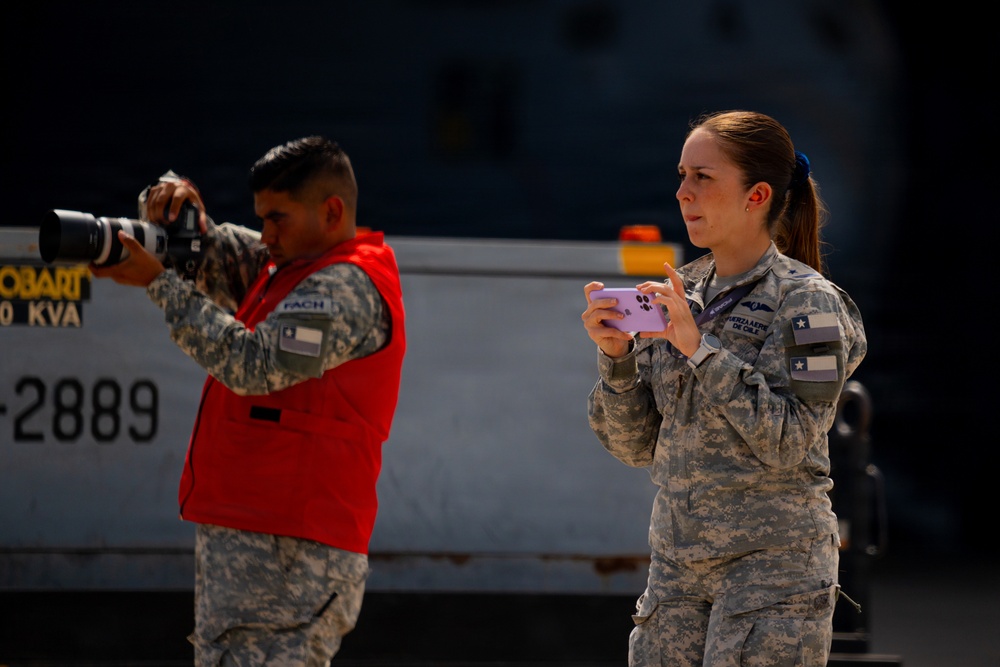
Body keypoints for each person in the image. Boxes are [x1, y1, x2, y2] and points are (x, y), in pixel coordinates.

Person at [90, 136, 407, 665]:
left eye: (278, 218)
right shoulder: (285, 266)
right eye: (262, 218)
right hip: (264, 540)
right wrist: (172, 202)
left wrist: (160, 286)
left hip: (293, 553)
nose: (267, 234)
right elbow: (207, 248)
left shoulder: (346, 289)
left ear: (332, 211)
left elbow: (255, 365)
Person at [580, 110, 867, 666]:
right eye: (682, 175)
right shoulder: (679, 292)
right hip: (678, 569)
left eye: (703, 178)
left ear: (756, 195)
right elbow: (634, 447)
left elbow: (790, 440)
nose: (683, 192)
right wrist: (616, 361)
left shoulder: (811, 305)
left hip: (773, 574)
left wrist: (700, 350)